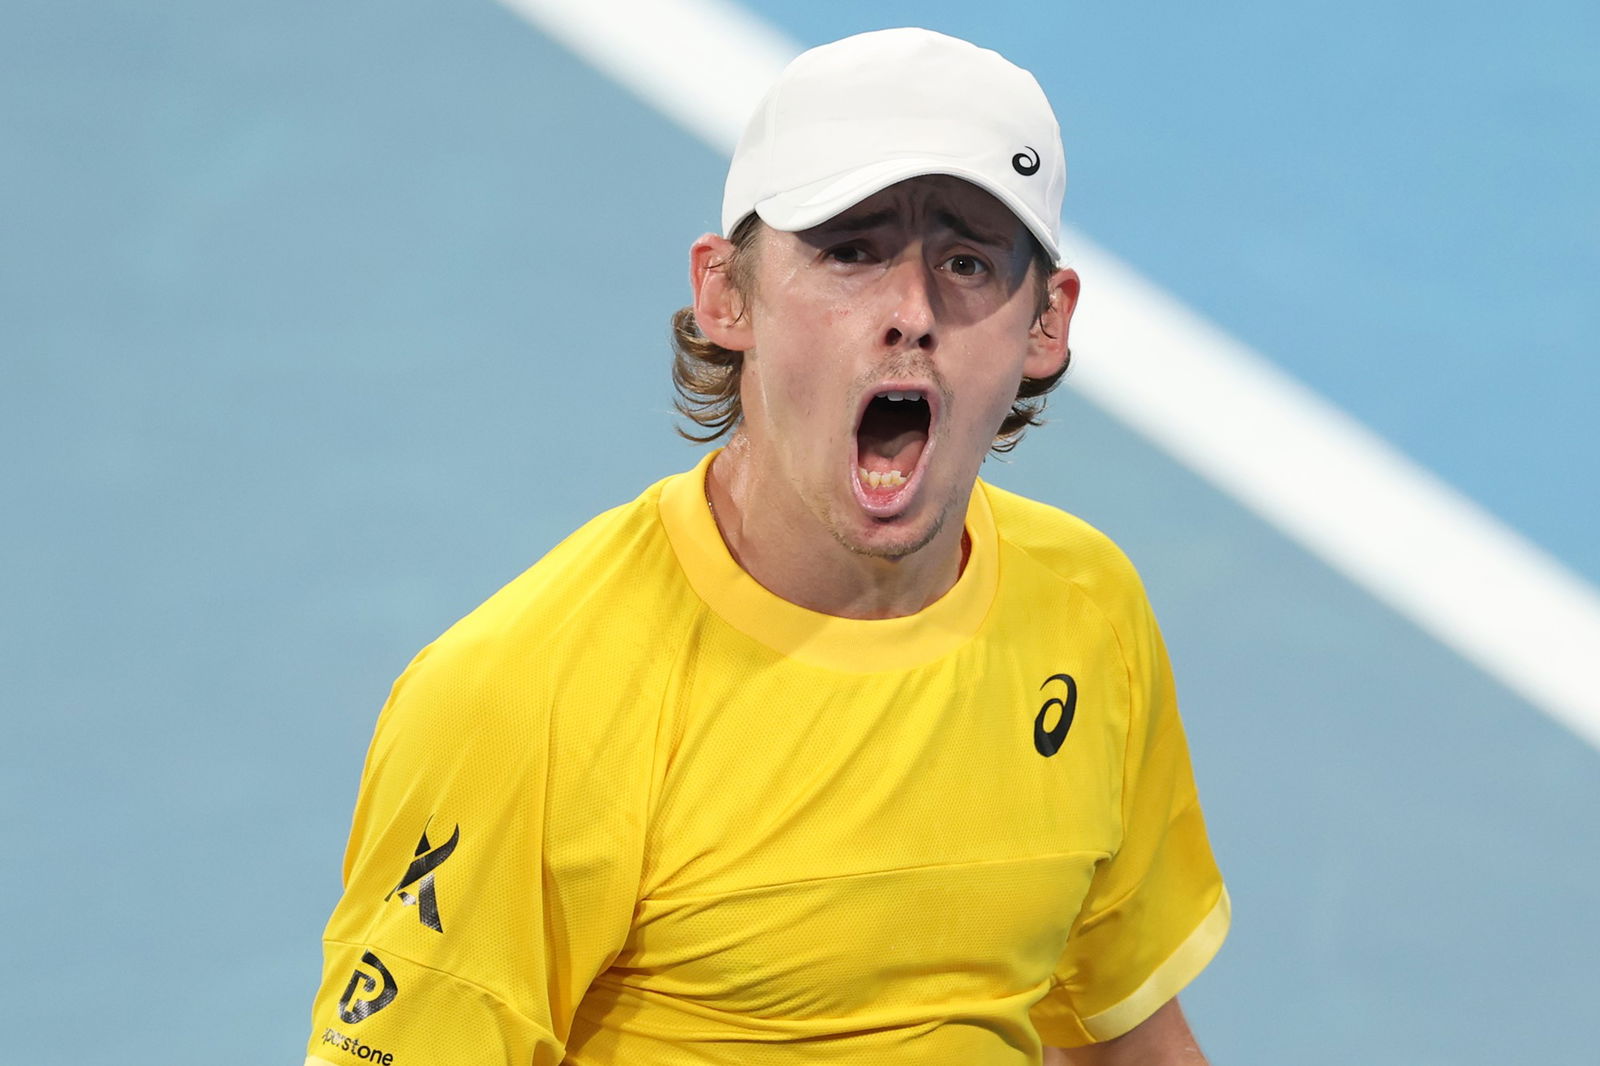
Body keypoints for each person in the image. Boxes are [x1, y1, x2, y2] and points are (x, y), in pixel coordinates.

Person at [305, 27, 1228, 1066]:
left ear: (1045, 326)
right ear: (724, 294)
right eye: (851, 253)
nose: (912, 313)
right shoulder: (524, 700)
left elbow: (1123, 1040)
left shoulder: (1086, 610)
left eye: (967, 262)